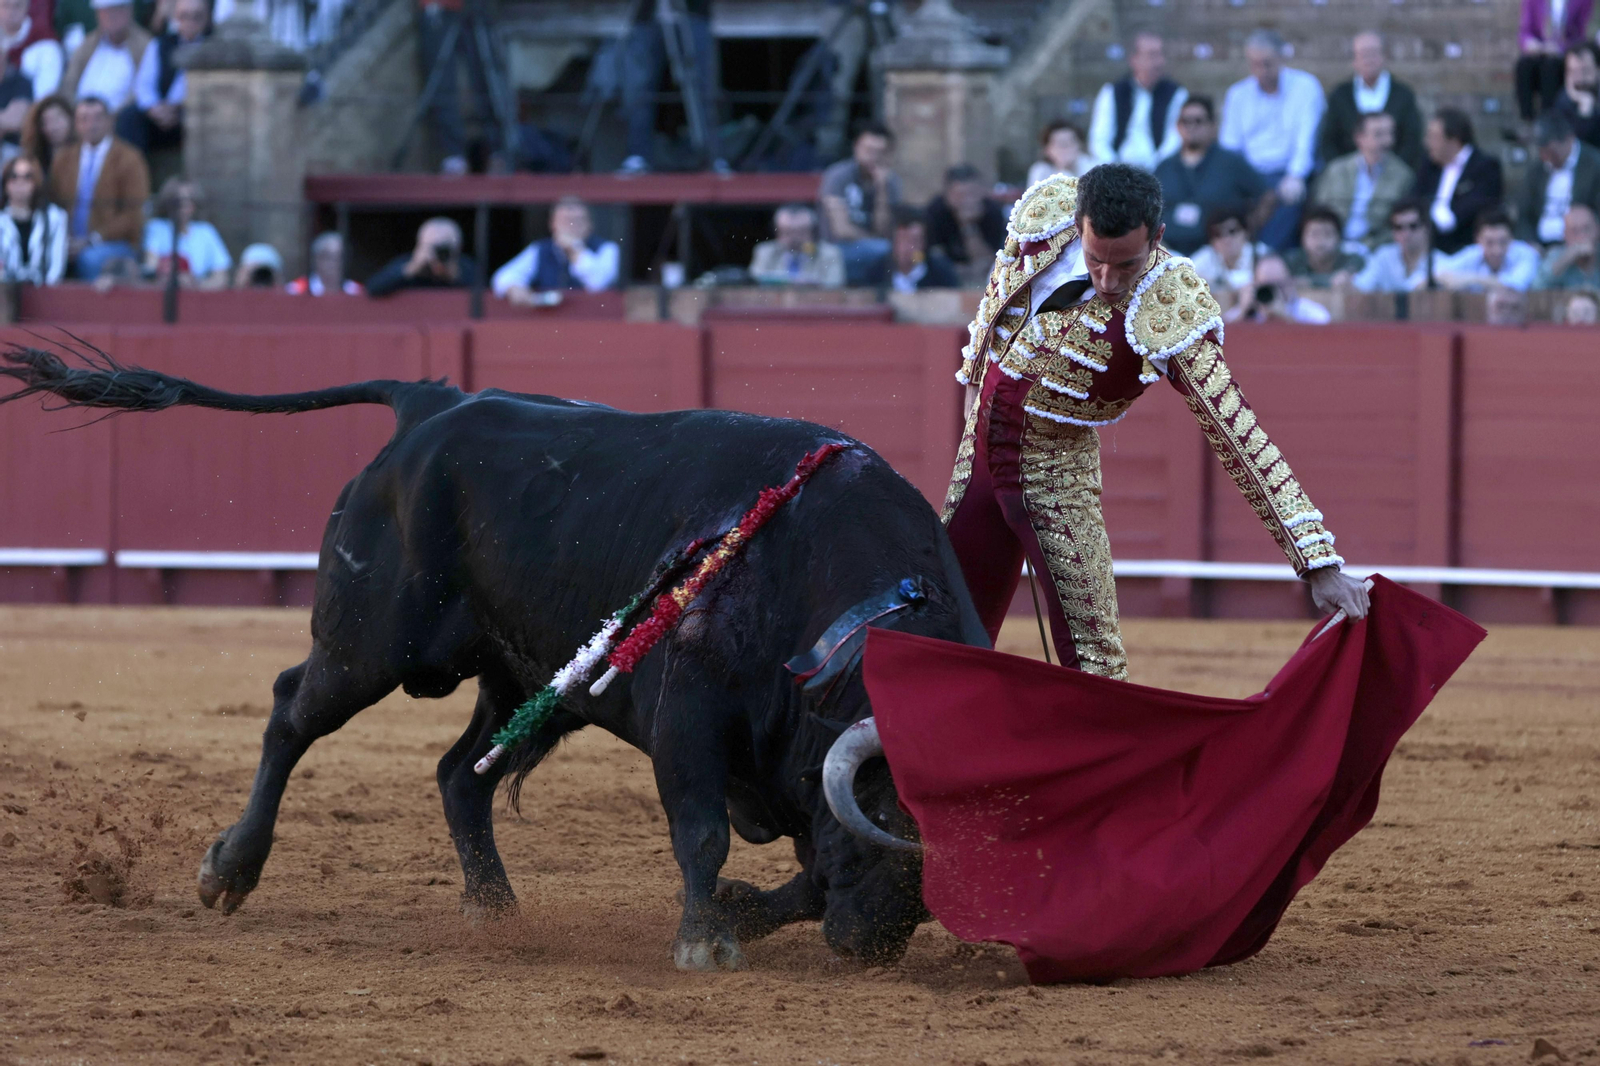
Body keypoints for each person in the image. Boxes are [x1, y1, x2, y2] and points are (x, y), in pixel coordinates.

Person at [944, 163, 1366, 681]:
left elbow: (1238, 432)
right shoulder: (1047, 211)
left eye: (1126, 264)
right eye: (1095, 259)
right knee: (943, 626)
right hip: (978, 459)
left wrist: (1318, 562)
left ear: (1157, 237)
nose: (1107, 280)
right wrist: (973, 377)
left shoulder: (1171, 302)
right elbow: (999, 290)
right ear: (1077, 224)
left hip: (1055, 476)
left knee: (1095, 663)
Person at [1219, 30, 1327, 250]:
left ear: (1281, 58)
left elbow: (1306, 140)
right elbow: (1229, 147)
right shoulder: (1238, 94)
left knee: (1291, 197)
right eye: (1255, 64)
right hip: (1250, 174)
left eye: (1267, 63)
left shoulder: (1306, 87)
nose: (1261, 70)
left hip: (1289, 172)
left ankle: (1267, 252)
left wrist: (1296, 175)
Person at [616, 0, 725, 175]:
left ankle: (713, 156)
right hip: (649, 15)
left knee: (702, 88)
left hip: (693, 13)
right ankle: (637, 155)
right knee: (639, 89)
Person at [1153, 94, 1267, 256]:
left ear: (1213, 125)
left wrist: (1247, 232)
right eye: (1186, 121)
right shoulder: (1164, 167)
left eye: (1198, 121)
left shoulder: (1231, 163)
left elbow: (1267, 196)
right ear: (1178, 126)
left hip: (1218, 254)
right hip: (1170, 252)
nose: (1191, 127)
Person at [47, 94, 145, 279]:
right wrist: (65, 239)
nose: (91, 125)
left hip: (115, 243)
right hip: (68, 241)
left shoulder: (130, 158)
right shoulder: (63, 159)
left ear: (110, 121)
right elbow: (54, 204)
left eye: (98, 118)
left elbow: (133, 214)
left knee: (89, 259)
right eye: (84, 119)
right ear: (75, 123)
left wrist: (92, 240)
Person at [1316, 31, 1425, 170]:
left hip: (1394, 175)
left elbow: (1412, 139)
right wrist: (1342, 172)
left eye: (1373, 52)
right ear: (1354, 60)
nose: (1368, 59)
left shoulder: (1403, 94)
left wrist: (1396, 171)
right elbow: (1328, 140)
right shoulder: (1340, 95)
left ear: (1384, 56)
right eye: (1363, 54)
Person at [1313, 110, 1415, 252]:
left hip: (1377, 250)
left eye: (1390, 134)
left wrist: (1369, 246)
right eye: (1379, 134)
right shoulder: (1336, 171)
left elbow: (1401, 226)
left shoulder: (1403, 176)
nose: (1387, 141)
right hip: (1333, 246)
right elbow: (1318, 213)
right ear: (1359, 138)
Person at [415, 0, 494, 176]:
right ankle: (453, 156)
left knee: (489, 78)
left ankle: (497, 151)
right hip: (438, 9)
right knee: (442, 82)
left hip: (476, 8)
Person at [818, 123, 902, 287]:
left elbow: (883, 229)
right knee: (885, 251)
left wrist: (882, 190)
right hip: (837, 250)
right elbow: (841, 230)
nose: (874, 157)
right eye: (869, 150)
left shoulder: (891, 183)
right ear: (856, 147)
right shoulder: (837, 176)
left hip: (876, 250)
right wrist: (873, 240)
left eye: (880, 152)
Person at [1086, 32, 1185, 171]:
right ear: (1134, 59)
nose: (1159, 62)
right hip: (1116, 170)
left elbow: (1175, 138)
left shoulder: (1176, 94)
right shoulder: (1112, 92)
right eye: (1152, 55)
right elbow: (1099, 138)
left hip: (1159, 170)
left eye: (1161, 55)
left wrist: (1156, 167)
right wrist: (1114, 169)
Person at [492, 196, 621, 303]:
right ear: (553, 224)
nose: (571, 226)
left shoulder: (606, 249)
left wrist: (575, 250)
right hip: (548, 320)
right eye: (566, 221)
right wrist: (514, 288)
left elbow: (598, 284)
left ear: (589, 225)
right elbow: (504, 276)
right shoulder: (540, 250)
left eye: (577, 221)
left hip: (592, 321)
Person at [115, 0, 204, 153]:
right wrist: (154, 108)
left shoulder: (212, 47)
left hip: (190, 114)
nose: (190, 22)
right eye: (184, 16)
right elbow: (144, 84)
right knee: (129, 116)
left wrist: (177, 106)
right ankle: (133, 165)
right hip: (159, 114)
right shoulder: (160, 44)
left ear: (206, 18)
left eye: (196, 16)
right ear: (176, 18)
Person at [1412, 108, 1503, 256]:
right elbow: (1416, 198)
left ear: (1454, 140)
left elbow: (1478, 206)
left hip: (1467, 248)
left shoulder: (1485, 167)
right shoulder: (1429, 166)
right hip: (1427, 245)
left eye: (1433, 137)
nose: (1427, 143)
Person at [1517, 111, 1600, 246]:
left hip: (1579, 243)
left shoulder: (1594, 165)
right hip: (1539, 244)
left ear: (1569, 139)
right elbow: (1525, 213)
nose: (1546, 158)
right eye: (1542, 152)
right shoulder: (1537, 169)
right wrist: (1529, 242)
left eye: (1551, 152)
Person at [924, 163, 1008, 286]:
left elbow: (991, 258)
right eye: (960, 195)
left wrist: (969, 227)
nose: (968, 201)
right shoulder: (935, 212)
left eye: (972, 194)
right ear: (948, 195)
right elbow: (933, 257)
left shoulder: (992, 211)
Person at [142, 176, 230, 289]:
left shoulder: (206, 231)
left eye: (188, 200)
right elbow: (150, 266)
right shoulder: (156, 228)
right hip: (164, 292)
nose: (183, 206)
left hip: (198, 293)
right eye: (177, 200)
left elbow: (222, 276)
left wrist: (196, 285)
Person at [61, 0, 147, 111]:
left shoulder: (144, 46)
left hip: (119, 117)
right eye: (105, 11)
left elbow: (142, 90)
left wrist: (110, 117)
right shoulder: (87, 45)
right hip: (78, 115)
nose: (111, 16)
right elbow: (69, 84)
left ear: (129, 10)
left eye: (116, 10)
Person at [1350, 199, 1449, 292]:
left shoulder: (1442, 263)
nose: (1406, 233)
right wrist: (1346, 282)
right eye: (1399, 227)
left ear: (1426, 228)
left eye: (1413, 226)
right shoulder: (1384, 256)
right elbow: (1361, 287)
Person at [1517, 0, 1593, 121]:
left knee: (1550, 66)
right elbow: (1525, 32)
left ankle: (1548, 118)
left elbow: (1581, 35)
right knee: (1523, 65)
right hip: (1539, 51)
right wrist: (1530, 44)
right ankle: (1527, 119)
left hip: (1564, 54)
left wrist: (1560, 48)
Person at [367, 216, 475, 297]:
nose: (439, 253)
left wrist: (455, 276)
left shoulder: (465, 266)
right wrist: (411, 269)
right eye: (433, 247)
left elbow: (482, 292)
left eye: (445, 248)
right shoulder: (408, 262)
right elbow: (373, 288)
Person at [1436, 209, 1541, 292]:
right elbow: (1440, 272)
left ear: (1512, 238)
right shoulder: (1472, 253)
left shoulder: (1527, 254)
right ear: (1478, 240)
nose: (1497, 250)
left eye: (1503, 242)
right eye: (1490, 242)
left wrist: (1472, 279)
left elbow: (1516, 286)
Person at [0, 153, 65, 282]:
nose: (20, 182)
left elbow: (56, 268)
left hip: (46, 291)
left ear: (36, 182)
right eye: (13, 176)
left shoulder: (54, 218)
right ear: (5, 183)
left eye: (27, 177)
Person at [747, 203, 844, 287]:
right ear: (777, 232)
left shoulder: (829, 254)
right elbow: (754, 284)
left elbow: (834, 287)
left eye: (801, 232)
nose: (794, 238)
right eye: (787, 232)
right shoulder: (765, 251)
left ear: (813, 232)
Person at [1223, 252, 1332, 325]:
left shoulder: (1309, 312)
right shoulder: (1246, 311)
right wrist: (1242, 312)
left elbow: (1323, 331)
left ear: (1290, 283)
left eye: (1278, 286)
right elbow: (1219, 337)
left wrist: (1285, 317)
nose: (1273, 292)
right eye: (1266, 286)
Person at [1189, 207, 1268, 303]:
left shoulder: (1262, 255)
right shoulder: (1206, 257)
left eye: (1232, 231)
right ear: (1212, 241)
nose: (1226, 239)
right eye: (1218, 234)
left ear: (1246, 233)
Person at [1283, 206, 1364, 288]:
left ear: (1339, 238)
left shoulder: (1351, 261)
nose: (1320, 241)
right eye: (1314, 234)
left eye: (1327, 234)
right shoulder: (1290, 261)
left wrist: (1308, 281)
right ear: (1302, 237)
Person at [0, 0, 63, 102]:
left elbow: (44, 98)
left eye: (17, 6)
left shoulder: (45, 43)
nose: (10, 12)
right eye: (5, 5)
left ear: (27, 7)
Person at [886, 207, 958, 292]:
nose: (908, 248)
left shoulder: (941, 273)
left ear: (925, 244)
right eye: (902, 240)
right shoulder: (878, 270)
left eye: (914, 241)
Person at [1536, 203, 1600, 287]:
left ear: (1597, 230)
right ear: (1565, 235)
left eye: (1586, 229)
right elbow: (1537, 286)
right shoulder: (1555, 256)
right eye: (1575, 231)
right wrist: (1565, 261)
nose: (1582, 236)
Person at [1551, 42, 1600, 147]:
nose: (1579, 78)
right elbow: (1575, 148)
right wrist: (1585, 112)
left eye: (1585, 71)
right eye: (1573, 71)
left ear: (1597, 69)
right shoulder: (1564, 101)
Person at [286, 231, 362, 295]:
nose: (334, 263)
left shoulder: (355, 291)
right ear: (316, 259)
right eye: (328, 257)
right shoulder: (297, 290)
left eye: (339, 257)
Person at [1026, 120, 1097, 186]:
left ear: (1080, 145)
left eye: (1070, 142)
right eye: (1060, 143)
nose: (1066, 148)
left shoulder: (1092, 168)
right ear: (1047, 149)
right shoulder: (1040, 171)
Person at [19, 92, 70, 174]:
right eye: (46, 121)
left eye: (57, 118)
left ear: (70, 118)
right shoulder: (33, 162)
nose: (53, 127)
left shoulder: (84, 155)